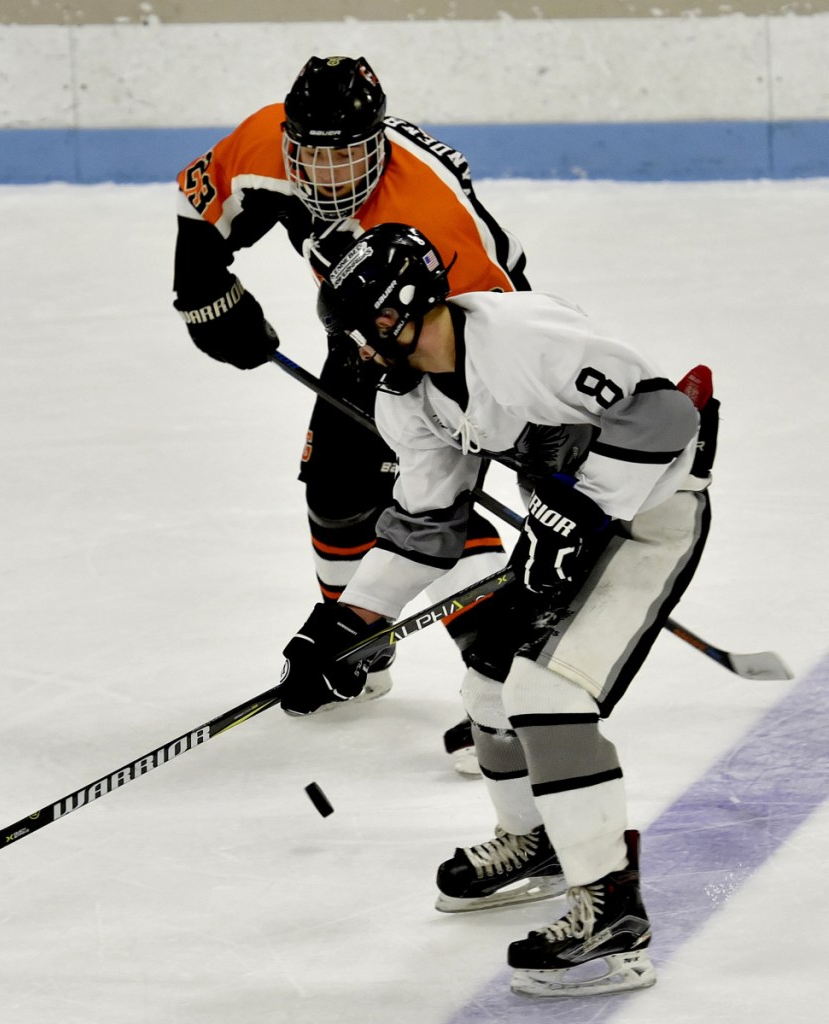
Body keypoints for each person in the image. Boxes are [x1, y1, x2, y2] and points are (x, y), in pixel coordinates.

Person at [278, 223, 717, 996]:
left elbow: (666, 419)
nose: (356, 348)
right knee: (487, 680)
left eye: (361, 328)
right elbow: (426, 522)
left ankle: (611, 914)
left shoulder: (523, 338)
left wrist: (580, 511)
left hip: (654, 514)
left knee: (546, 695)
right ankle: (538, 843)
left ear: (402, 308)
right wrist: (344, 628)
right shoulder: (408, 396)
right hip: (572, 526)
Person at [172, 55, 531, 772]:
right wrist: (202, 293)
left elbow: (499, 324)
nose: (330, 175)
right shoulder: (260, 144)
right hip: (366, 325)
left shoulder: (432, 216)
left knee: (430, 509)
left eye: (348, 156)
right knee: (336, 490)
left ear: (379, 144)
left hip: (455, 333)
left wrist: (477, 421)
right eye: (312, 154)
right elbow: (200, 205)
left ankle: (510, 697)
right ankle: (359, 654)